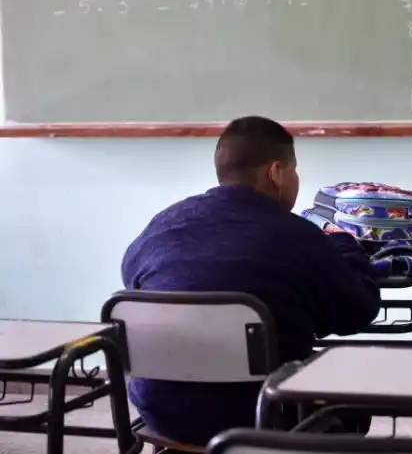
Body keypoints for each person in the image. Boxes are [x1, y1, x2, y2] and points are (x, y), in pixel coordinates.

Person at [121, 116, 381, 445]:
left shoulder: (162, 225)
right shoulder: (299, 236)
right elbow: (358, 312)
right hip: (264, 415)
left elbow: (132, 280)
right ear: (276, 172)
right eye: (294, 169)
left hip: (162, 412)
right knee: (350, 389)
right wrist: (344, 244)